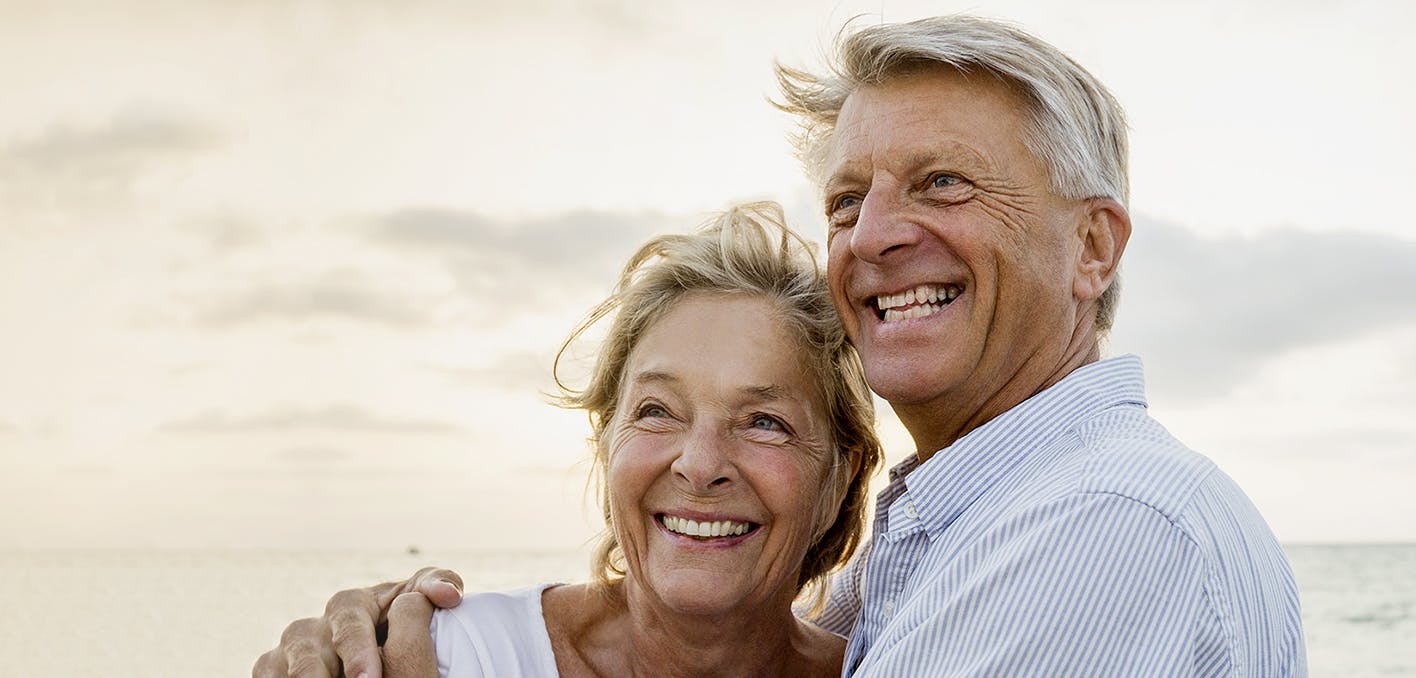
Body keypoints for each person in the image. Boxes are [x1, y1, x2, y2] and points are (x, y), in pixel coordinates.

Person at [257, 14, 1307, 677]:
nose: (879, 235)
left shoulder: (1098, 528)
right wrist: (402, 630)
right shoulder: (945, 538)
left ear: (1092, 244)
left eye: (943, 181)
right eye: (847, 199)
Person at [255, 202, 885, 678]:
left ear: (841, 478)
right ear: (606, 445)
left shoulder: (897, 667)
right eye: (658, 411)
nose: (700, 465)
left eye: (763, 422)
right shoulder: (453, 659)